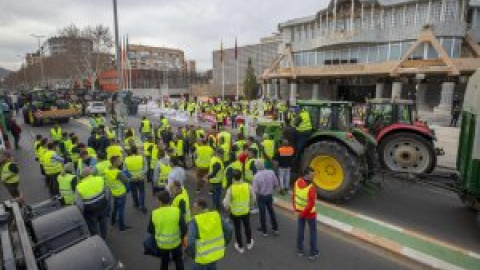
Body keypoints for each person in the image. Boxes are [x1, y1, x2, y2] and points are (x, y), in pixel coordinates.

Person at [186, 198, 232, 270]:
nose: (192, 210)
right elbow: (229, 229)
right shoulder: (216, 215)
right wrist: (224, 243)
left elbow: (190, 243)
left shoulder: (195, 221)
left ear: (200, 208)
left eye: (194, 208)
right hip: (214, 255)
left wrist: (192, 255)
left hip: (201, 258)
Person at [147, 191, 186, 270]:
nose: (156, 201)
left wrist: (158, 234)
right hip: (176, 243)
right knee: (179, 261)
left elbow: (150, 229)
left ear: (160, 201)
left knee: (164, 262)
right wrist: (180, 237)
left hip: (162, 244)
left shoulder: (154, 213)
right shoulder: (177, 211)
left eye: (157, 200)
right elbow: (184, 228)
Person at [223, 169, 255, 254]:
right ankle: (249, 242)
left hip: (235, 213)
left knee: (238, 229)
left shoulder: (231, 189)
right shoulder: (248, 186)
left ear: (233, 178)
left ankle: (240, 246)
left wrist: (228, 207)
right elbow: (253, 198)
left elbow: (226, 203)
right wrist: (250, 206)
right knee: (247, 226)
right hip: (246, 211)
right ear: (241, 176)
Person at [76, 167, 111, 240]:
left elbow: (79, 203)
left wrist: (82, 212)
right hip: (102, 205)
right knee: (103, 222)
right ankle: (104, 236)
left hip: (90, 210)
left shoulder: (79, 187)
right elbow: (107, 192)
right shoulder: (100, 179)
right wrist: (107, 202)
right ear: (91, 173)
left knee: (93, 225)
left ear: (82, 176)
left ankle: (97, 239)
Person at [293, 167, 319, 260]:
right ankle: (313, 253)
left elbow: (294, 196)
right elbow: (311, 204)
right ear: (307, 174)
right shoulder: (311, 188)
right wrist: (303, 213)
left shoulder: (297, 182)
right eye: (312, 175)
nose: (314, 176)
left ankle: (300, 249)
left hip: (300, 211)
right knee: (313, 232)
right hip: (309, 214)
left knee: (300, 230)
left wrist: (296, 209)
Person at [252, 159, 279, 236]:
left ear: (256, 167)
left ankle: (264, 231)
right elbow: (276, 184)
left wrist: (255, 199)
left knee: (262, 214)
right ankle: (275, 228)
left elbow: (255, 190)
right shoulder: (271, 172)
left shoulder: (256, 177)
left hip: (261, 196)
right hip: (269, 195)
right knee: (271, 212)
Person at [105, 156, 131, 231]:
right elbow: (126, 181)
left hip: (114, 192)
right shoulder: (118, 173)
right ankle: (122, 226)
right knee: (121, 210)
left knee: (115, 207)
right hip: (121, 193)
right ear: (115, 163)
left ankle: (112, 221)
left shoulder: (107, 169)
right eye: (119, 161)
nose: (120, 162)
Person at [124, 146, 148, 213]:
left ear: (131, 152)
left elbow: (125, 171)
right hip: (140, 178)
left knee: (134, 192)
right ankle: (142, 205)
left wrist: (131, 177)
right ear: (137, 151)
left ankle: (136, 203)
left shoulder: (126, 159)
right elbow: (146, 169)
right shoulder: (142, 158)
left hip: (132, 179)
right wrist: (140, 174)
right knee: (142, 192)